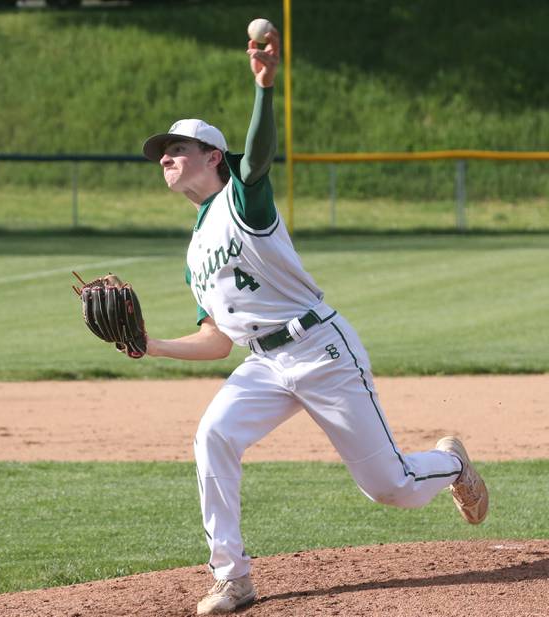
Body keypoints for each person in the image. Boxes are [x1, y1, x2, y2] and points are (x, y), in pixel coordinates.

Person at [140, 23, 488, 616]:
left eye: (177, 148)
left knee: (392, 489)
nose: (165, 157)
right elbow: (217, 340)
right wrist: (150, 346)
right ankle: (233, 578)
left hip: (321, 349)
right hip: (264, 365)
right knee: (213, 436)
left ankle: (453, 464)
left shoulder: (242, 199)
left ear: (213, 157)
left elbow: (259, 159)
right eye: (161, 153)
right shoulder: (194, 252)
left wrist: (264, 88)